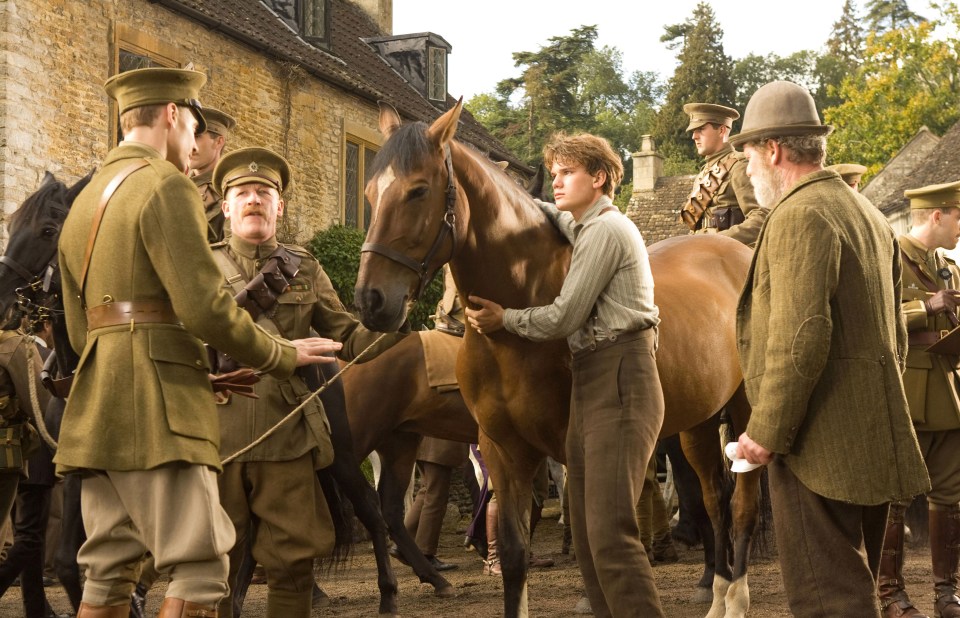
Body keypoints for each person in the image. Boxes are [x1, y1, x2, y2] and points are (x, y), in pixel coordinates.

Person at [55, 67, 341, 618]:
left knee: (109, 568)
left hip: (97, 409)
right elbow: (204, 309)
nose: (194, 149)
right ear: (171, 115)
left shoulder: (85, 201)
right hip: (160, 410)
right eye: (194, 132)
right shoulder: (165, 186)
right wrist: (282, 354)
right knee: (203, 567)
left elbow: (77, 330)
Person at [731, 81, 929, 617]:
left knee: (828, 601)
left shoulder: (799, 215)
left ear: (773, 150)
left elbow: (801, 339)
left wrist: (764, 434)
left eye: (748, 155)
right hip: (869, 438)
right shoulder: (861, 210)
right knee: (852, 591)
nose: (747, 171)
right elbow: (898, 334)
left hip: (815, 446)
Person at [466, 132, 665, 617]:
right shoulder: (585, 225)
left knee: (611, 534)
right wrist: (518, 198)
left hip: (621, 374)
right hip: (595, 378)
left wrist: (503, 320)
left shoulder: (606, 231)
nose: (555, 181)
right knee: (590, 535)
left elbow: (563, 316)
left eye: (567, 173)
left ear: (598, 178)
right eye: (552, 172)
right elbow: (556, 216)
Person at [209, 146, 408, 617]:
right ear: (225, 206)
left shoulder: (304, 267)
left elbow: (347, 336)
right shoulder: (200, 265)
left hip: (288, 435)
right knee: (213, 566)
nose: (253, 199)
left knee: (294, 565)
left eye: (264, 192)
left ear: (279, 206)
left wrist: (394, 319)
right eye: (243, 193)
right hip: (215, 437)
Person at [878, 180, 960, 618]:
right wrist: (924, 308)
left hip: (949, 394)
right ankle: (891, 594)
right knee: (895, 498)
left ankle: (947, 593)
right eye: (958, 217)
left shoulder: (948, 265)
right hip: (907, 394)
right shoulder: (889, 259)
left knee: (949, 495)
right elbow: (876, 317)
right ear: (936, 215)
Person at [679, 103, 767, 247]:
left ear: (721, 130)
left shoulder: (740, 166)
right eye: (694, 131)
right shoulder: (703, 174)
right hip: (703, 252)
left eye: (701, 129)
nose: (694, 136)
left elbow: (761, 217)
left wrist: (718, 242)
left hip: (732, 256)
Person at [190, 105, 236, 243]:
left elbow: (234, 251)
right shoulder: (174, 183)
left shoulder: (230, 191)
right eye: (188, 136)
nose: (190, 144)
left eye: (197, 137)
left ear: (218, 142)